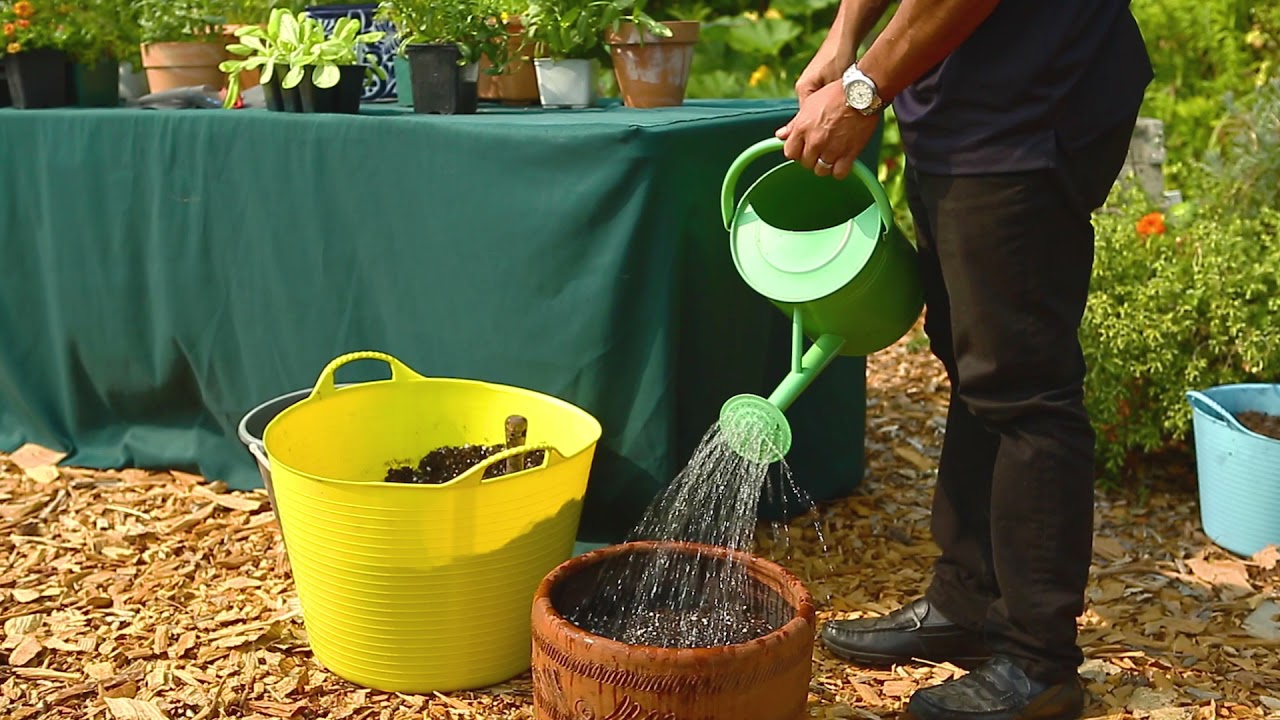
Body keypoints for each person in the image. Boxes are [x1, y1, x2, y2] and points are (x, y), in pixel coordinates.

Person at [774, 1, 1153, 719]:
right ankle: (969, 601)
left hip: (1028, 107)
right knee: (973, 358)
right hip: (957, 103)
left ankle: (1039, 664)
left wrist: (863, 89)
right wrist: (844, 37)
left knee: (1025, 386)